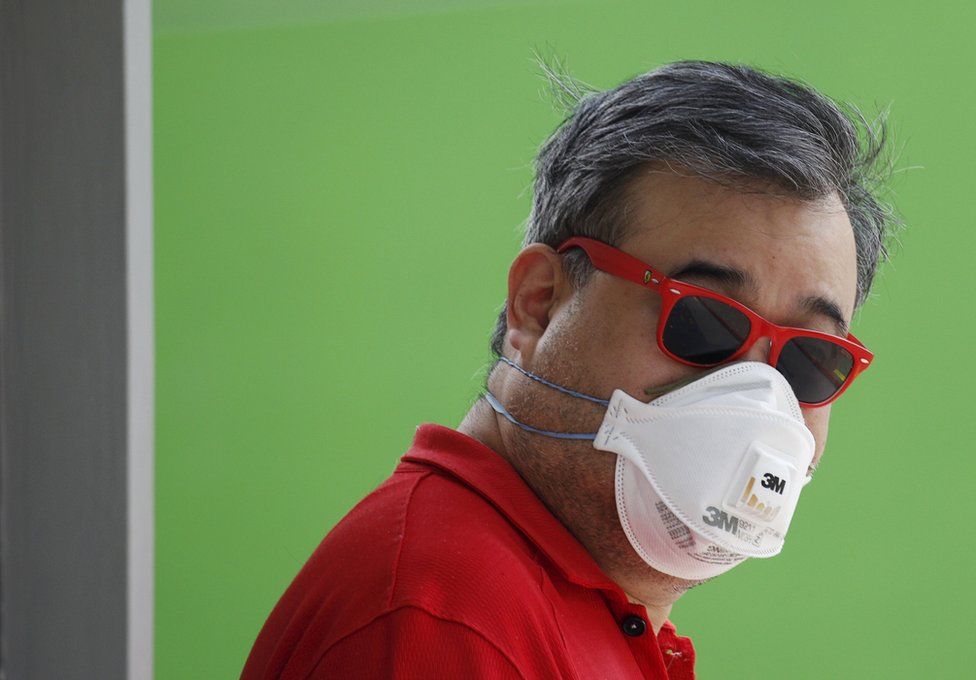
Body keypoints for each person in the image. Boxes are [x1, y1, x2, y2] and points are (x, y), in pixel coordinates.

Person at [241, 60, 896, 679]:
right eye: (704, 320)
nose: (755, 396)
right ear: (539, 304)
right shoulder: (444, 626)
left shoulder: (573, 614)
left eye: (810, 360)